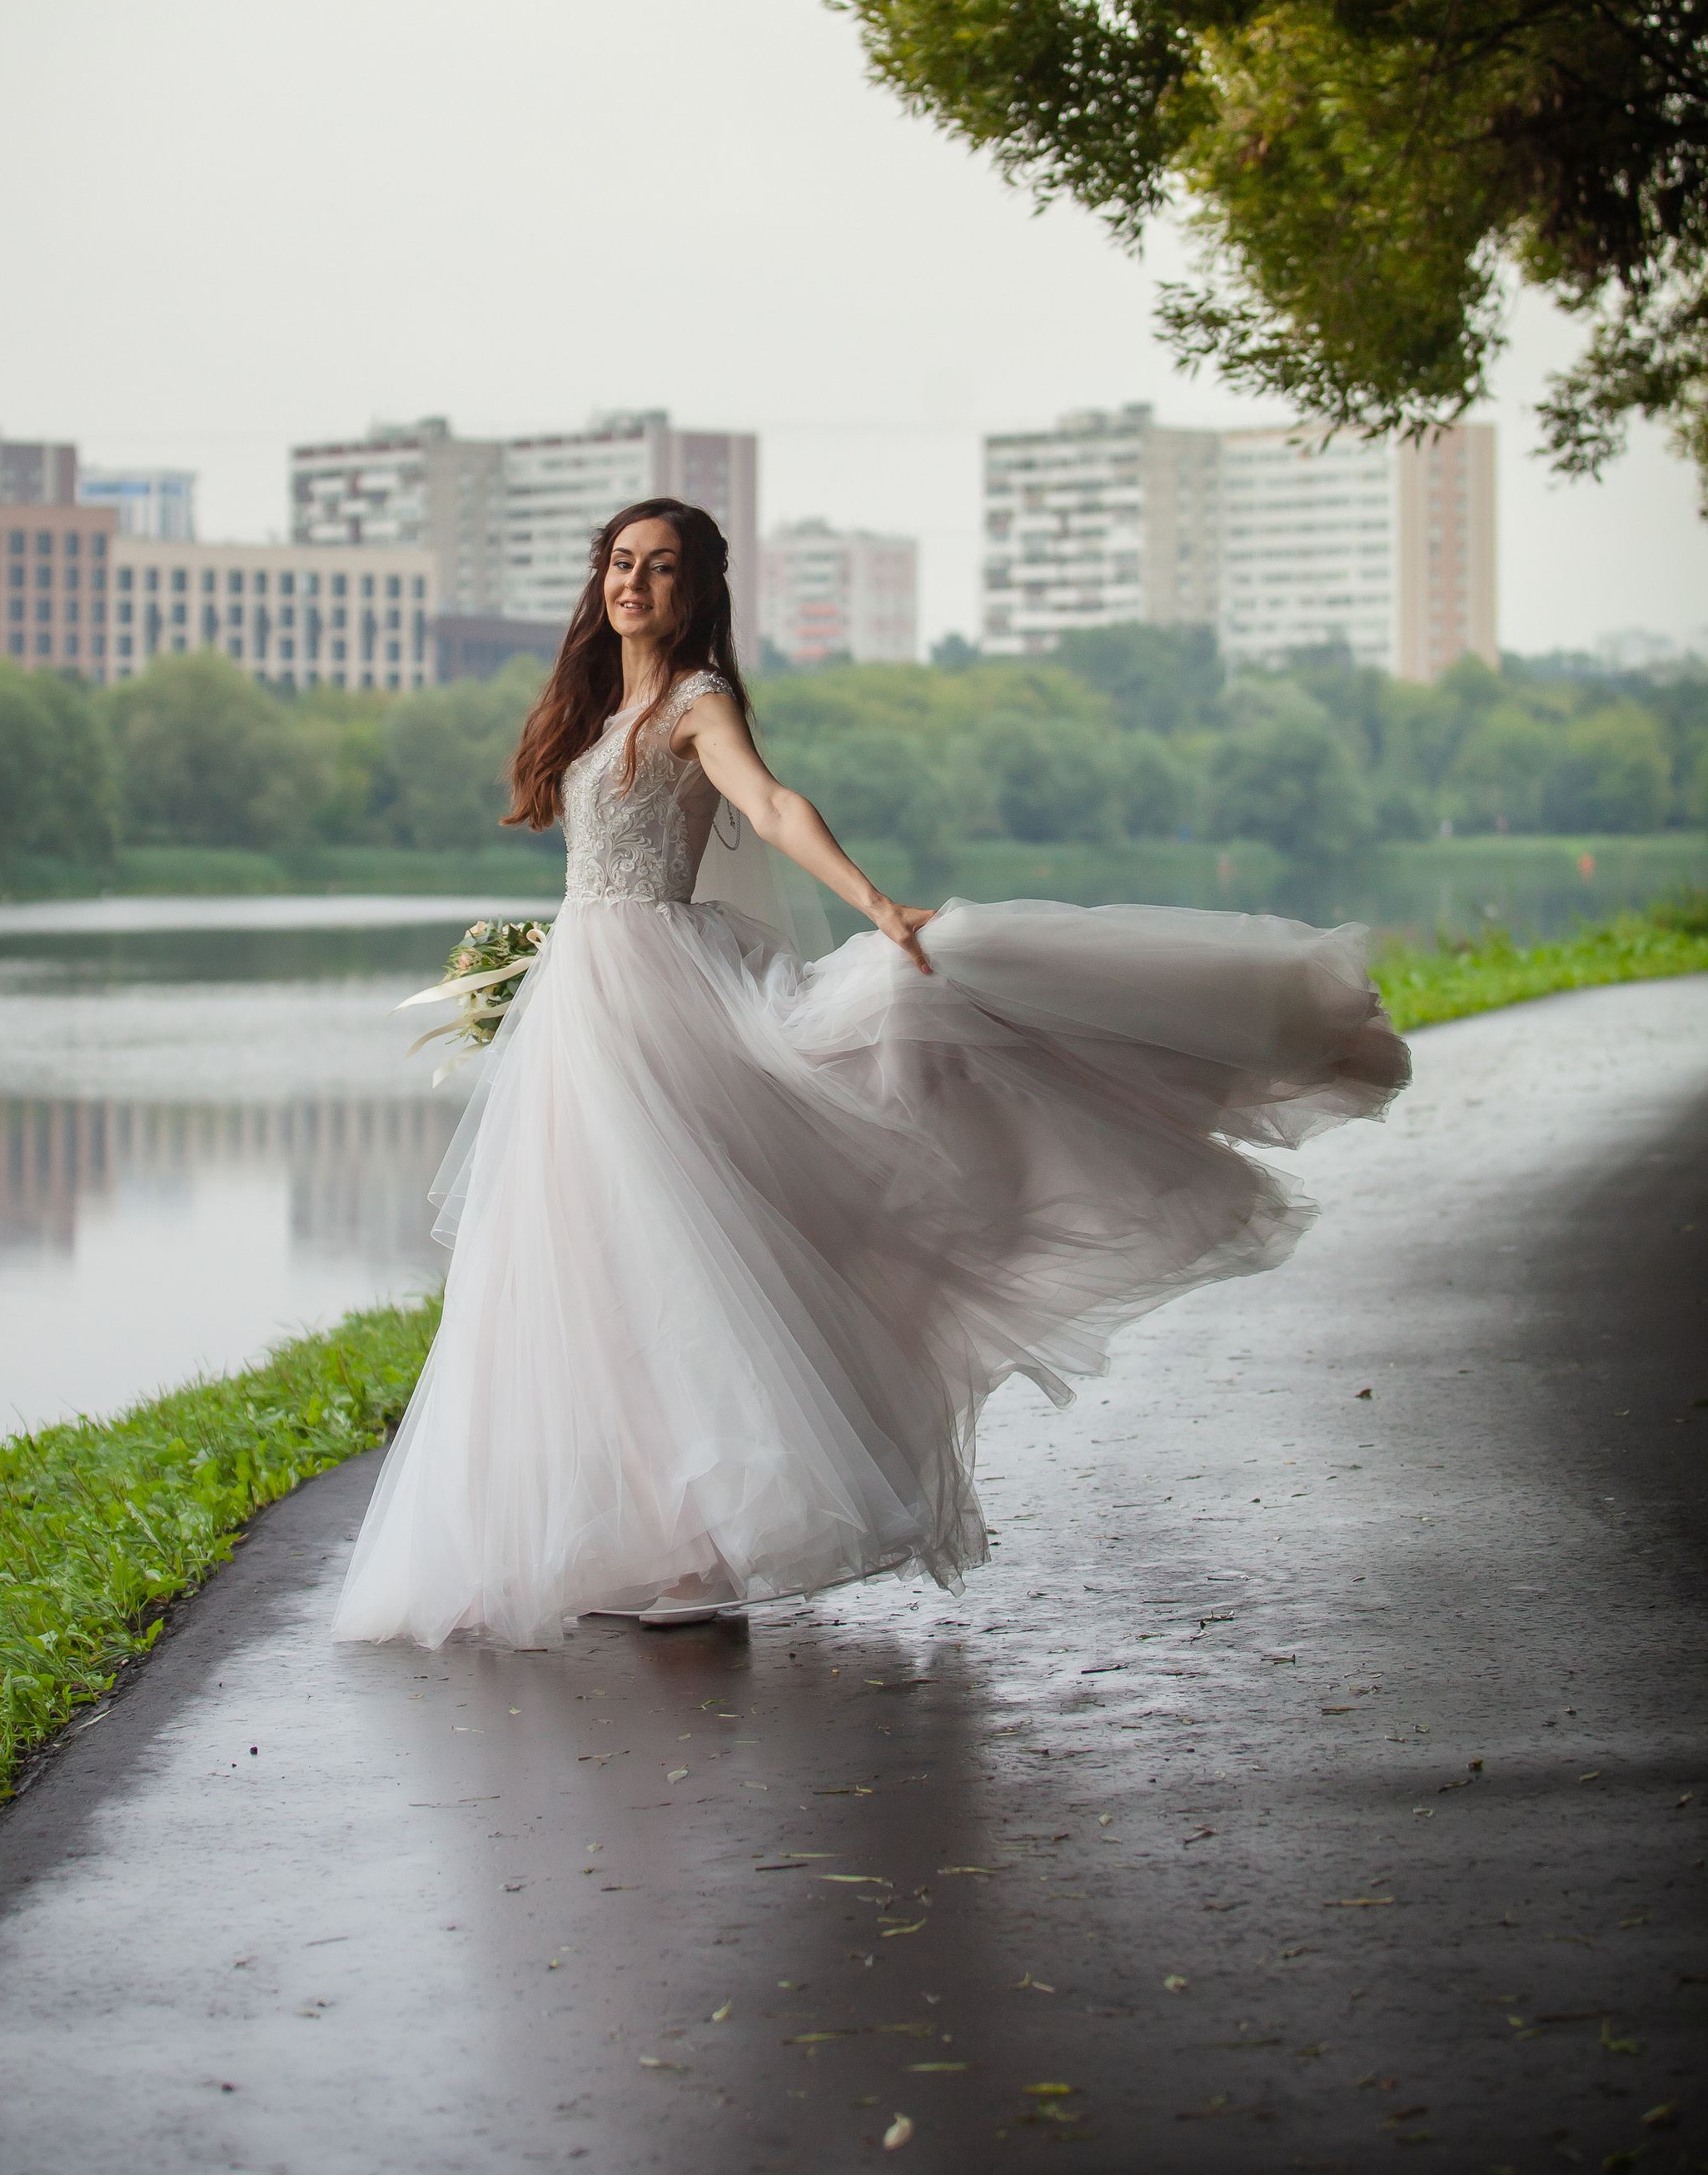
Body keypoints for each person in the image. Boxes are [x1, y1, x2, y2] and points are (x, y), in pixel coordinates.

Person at [333, 498, 1407, 1650]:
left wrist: (873, 901)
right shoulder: (598, 708)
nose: (633, 584)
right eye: (620, 564)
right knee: (592, 1262)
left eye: (660, 568)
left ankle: (710, 1541)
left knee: (681, 1252)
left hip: (654, 991)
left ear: (698, 591)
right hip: (586, 999)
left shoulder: (698, 701)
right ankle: (639, 1534)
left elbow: (771, 803)